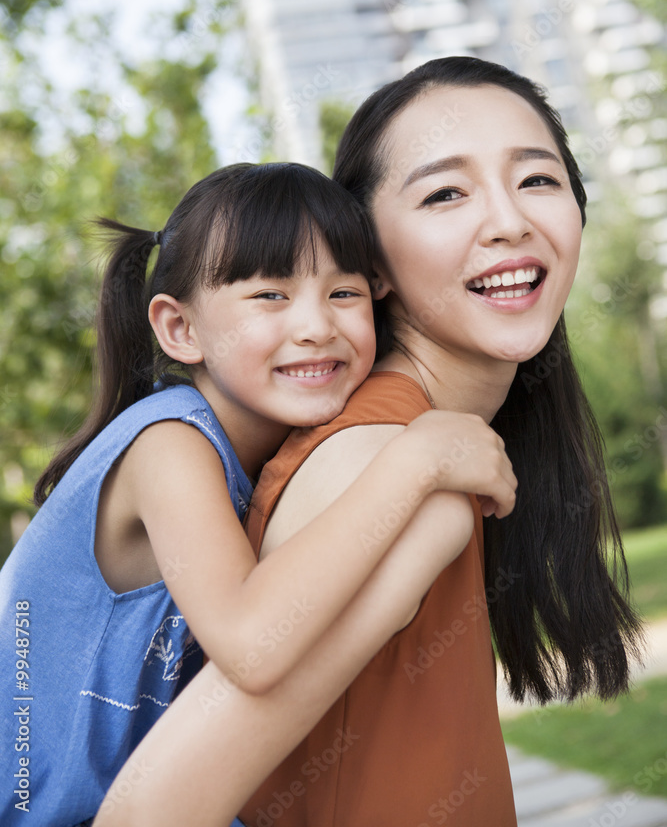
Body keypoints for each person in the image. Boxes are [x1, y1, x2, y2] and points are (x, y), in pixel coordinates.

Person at [94, 57, 643, 827]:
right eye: (445, 192)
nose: (509, 220)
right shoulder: (397, 475)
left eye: (537, 180)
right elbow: (147, 813)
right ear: (369, 258)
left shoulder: (430, 451)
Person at [0, 160, 517, 827]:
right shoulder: (168, 445)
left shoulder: (261, 456)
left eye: (343, 294)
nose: (315, 326)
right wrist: (414, 460)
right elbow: (251, 643)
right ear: (180, 329)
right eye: (270, 296)